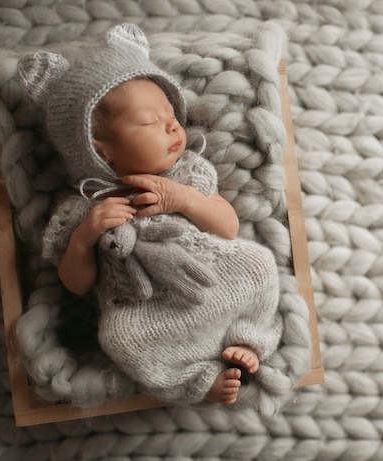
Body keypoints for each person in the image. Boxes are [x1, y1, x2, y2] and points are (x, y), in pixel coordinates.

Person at [18, 23, 283, 406]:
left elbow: (228, 227)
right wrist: (84, 238)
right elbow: (77, 284)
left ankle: (250, 342)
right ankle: (195, 380)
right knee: (119, 339)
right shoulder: (84, 209)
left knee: (259, 263)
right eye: (150, 122)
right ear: (101, 150)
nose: (173, 125)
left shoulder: (186, 174)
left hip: (213, 275)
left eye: (170, 113)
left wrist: (186, 201)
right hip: (145, 309)